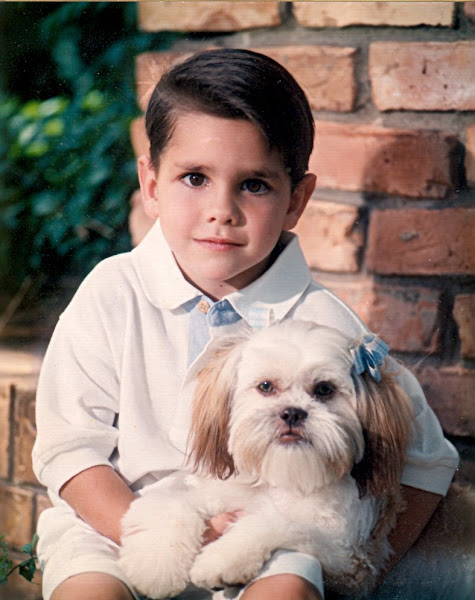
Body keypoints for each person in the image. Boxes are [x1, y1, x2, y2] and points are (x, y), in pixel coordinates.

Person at [32, 48, 459, 600]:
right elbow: (70, 449)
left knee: (284, 590)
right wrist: (142, 535)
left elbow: (427, 462)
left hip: (273, 536)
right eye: (194, 178)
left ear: (296, 199)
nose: (222, 209)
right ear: (153, 183)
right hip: (116, 527)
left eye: (254, 184)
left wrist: (361, 564)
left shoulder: (327, 323)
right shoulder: (112, 293)